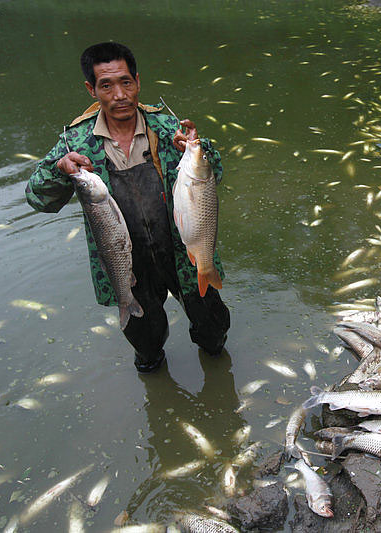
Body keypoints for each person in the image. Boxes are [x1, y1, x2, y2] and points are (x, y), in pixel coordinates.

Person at [26, 42, 230, 372]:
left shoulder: (166, 128)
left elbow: (213, 174)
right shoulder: (75, 143)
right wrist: (58, 170)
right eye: (106, 85)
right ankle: (153, 369)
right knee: (146, 343)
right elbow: (38, 199)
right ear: (91, 89)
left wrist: (197, 147)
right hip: (126, 262)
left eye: (126, 82)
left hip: (182, 250)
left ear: (137, 81)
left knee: (213, 328)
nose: (119, 94)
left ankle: (217, 368)